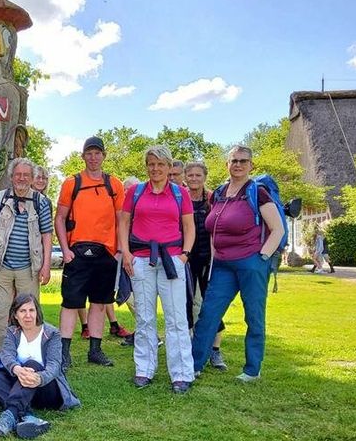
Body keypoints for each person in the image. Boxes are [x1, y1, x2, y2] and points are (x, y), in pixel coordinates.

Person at [191, 145, 284, 383]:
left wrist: (261, 257)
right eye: (234, 160)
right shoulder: (220, 193)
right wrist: (214, 255)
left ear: (251, 165)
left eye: (243, 161)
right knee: (209, 313)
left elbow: (277, 229)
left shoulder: (258, 192)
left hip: (251, 263)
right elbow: (213, 228)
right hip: (222, 265)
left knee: (253, 316)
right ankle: (194, 364)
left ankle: (252, 369)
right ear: (227, 164)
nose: (238, 165)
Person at [119, 145, 196, 393]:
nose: (156, 168)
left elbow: (189, 226)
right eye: (151, 164)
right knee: (144, 317)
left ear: (168, 166)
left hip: (172, 258)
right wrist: (126, 253)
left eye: (160, 164)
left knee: (176, 318)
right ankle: (144, 368)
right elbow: (123, 224)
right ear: (146, 166)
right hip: (141, 259)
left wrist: (185, 255)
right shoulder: (135, 192)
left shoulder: (179, 193)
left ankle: (181, 373)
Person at [54, 137, 125, 368]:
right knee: (71, 303)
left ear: (104, 156)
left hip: (106, 253)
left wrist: (119, 250)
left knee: (99, 303)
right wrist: (65, 250)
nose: (93, 158)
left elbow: (121, 220)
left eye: (97, 153)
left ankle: (95, 350)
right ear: (83, 156)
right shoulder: (71, 183)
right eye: (89, 153)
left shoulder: (114, 185)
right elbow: (60, 218)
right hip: (77, 252)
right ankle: (64, 353)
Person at [0, 294, 79, 439]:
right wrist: (17, 369)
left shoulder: (52, 333)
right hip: (23, 387)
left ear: (37, 312)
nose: (28, 315)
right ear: (15, 315)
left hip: (48, 388)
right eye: (22, 311)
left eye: (31, 310)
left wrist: (39, 378)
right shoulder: (12, 332)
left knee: (32, 364)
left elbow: (55, 365)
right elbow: (7, 355)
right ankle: (29, 417)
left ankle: (9, 416)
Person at [0, 157, 53, 351]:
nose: (21, 178)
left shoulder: (41, 202)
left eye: (26, 175)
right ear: (11, 177)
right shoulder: (0, 198)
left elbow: (47, 235)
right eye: (18, 175)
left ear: (32, 178)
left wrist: (46, 265)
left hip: (29, 268)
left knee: (28, 313)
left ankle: (28, 352)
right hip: (2, 268)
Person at [184, 161, 226, 370]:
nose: (194, 179)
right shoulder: (179, 198)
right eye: (190, 175)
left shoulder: (213, 199)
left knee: (211, 304)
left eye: (197, 175)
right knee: (187, 304)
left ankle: (215, 350)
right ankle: (192, 346)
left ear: (204, 177)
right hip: (186, 259)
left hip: (209, 258)